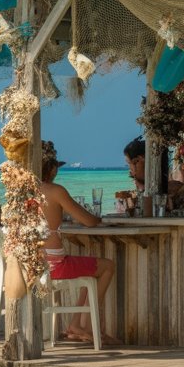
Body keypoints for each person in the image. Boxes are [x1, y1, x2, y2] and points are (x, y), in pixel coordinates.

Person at [38, 140, 119, 344]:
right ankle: (91, 329)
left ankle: (77, 325)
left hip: (33, 266)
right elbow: (88, 221)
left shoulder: (22, 194)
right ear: (52, 167)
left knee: (89, 271)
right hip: (55, 265)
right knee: (107, 266)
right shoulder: (55, 191)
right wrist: (99, 218)